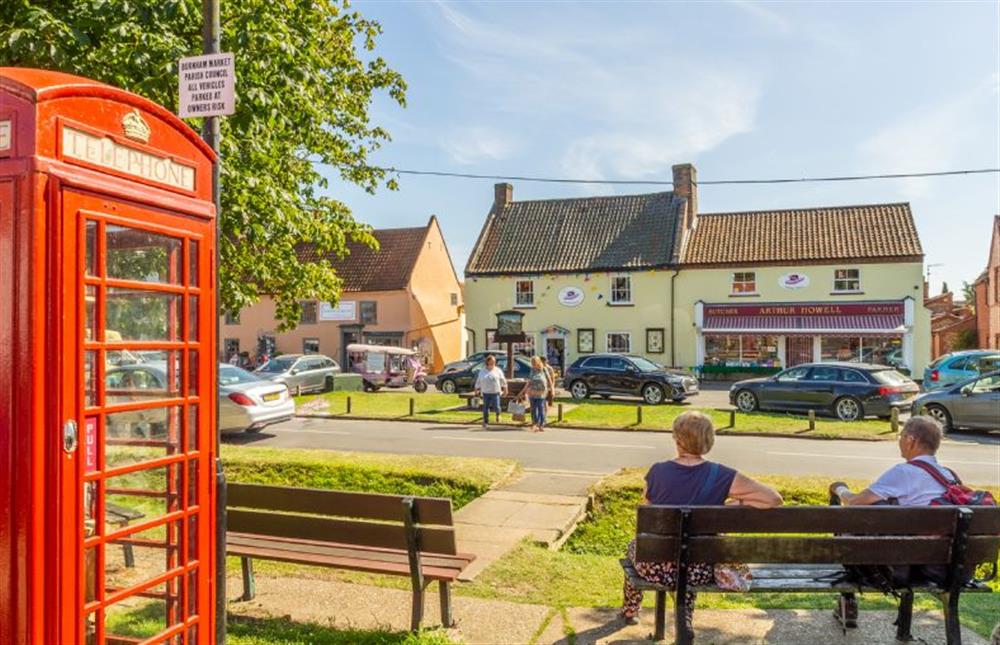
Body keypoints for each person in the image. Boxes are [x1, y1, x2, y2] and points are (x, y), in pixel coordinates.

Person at [621, 411, 782, 635]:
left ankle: (630, 609)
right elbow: (773, 499)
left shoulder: (657, 472)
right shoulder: (723, 475)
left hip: (654, 565)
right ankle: (684, 617)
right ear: (709, 441)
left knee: (635, 547)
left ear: (677, 439)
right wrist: (724, 508)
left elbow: (647, 517)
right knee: (691, 555)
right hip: (700, 569)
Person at [829, 416, 959, 628]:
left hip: (901, 571)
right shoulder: (950, 477)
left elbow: (855, 503)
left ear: (910, 440)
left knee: (851, 527)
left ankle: (848, 601)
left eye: (900, 437)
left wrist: (839, 488)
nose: (899, 441)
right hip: (945, 569)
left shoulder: (904, 472)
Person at [474, 354, 507, 429]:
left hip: (495, 392)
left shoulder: (498, 370)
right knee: (485, 407)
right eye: (491, 361)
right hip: (485, 392)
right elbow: (478, 381)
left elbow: (503, 380)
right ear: (487, 362)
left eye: (494, 362)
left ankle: (498, 415)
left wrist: (505, 389)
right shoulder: (482, 371)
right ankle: (485, 421)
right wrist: (476, 389)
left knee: (496, 406)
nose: (493, 363)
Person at [525, 356, 551, 432]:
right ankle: (534, 424)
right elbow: (530, 380)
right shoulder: (532, 370)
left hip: (541, 392)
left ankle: (541, 425)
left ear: (538, 362)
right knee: (533, 409)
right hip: (532, 392)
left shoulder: (544, 369)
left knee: (541, 408)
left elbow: (549, 379)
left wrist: (552, 388)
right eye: (532, 362)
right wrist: (526, 390)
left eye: (534, 362)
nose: (533, 364)